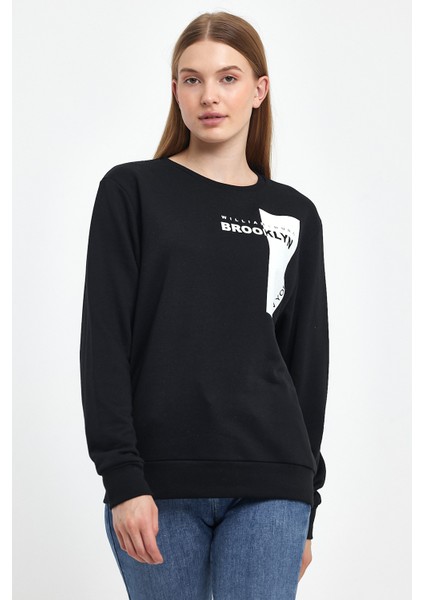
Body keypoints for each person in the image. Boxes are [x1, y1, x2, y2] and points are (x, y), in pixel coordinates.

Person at [79, 10, 330, 600]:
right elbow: (105, 343)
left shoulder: (294, 214)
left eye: (228, 78)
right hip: (158, 483)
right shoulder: (132, 192)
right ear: (175, 90)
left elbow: (306, 363)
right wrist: (122, 478)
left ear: (259, 90)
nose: (209, 96)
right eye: (192, 79)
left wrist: (308, 502)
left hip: (272, 483)